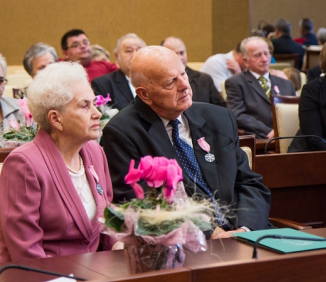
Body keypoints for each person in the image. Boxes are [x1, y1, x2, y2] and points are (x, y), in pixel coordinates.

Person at [102, 46, 272, 239]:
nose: (184, 85)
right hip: (186, 244)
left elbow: (249, 182)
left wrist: (245, 230)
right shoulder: (123, 132)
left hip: (247, 232)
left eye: (183, 73)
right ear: (144, 94)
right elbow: (138, 205)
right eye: (170, 83)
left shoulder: (218, 118)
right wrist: (210, 233)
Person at [0, 62, 118, 263]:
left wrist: (118, 245)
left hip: (95, 273)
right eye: (84, 106)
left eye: (94, 103)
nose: (97, 113)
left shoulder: (95, 152)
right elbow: (26, 251)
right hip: (41, 280)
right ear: (56, 119)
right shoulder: (24, 164)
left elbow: (108, 218)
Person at [225, 37, 296, 139]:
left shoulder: (287, 84)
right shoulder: (236, 83)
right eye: (257, 55)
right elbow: (237, 115)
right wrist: (268, 132)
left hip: (288, 138)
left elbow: (294, 114)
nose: (264, 59)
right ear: (245, 61)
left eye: (266, 53)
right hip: (257, 140)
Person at [161, 36, 225, 107]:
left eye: (182, 53)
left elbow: (220, 107)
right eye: (175, 54)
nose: (180, 57)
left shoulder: (204, 79)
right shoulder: (161, 81)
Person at [91, 33, 146, 110]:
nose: (135, 55)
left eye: (139, 50)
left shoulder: (156, 80)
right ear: (117, 57)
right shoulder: (103, 84)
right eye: (128, 51)